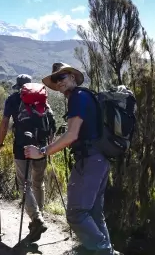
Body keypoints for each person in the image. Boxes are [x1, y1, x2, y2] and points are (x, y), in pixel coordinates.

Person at [24, 63, 121, 255]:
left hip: (89, 161)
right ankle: (104, 250)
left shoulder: (77, 97)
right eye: (55, 79)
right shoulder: (85, 96)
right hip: (100, 160)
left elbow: (71, 135)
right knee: (94, 213)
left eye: (63, 77)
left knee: (76, 213)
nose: (58, 82)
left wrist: (42, 151)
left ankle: (104, 250)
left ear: (73, 78)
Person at [0, 74, 56, 243]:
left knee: (24, 184)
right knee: (38, 182)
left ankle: (36, 219)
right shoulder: (42, 99)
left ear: (19, 87)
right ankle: (39, 215)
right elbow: (51, 124)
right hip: (42, 148)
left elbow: (5, 123)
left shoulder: (13, 99)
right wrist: (49, 147)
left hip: (22, 146)